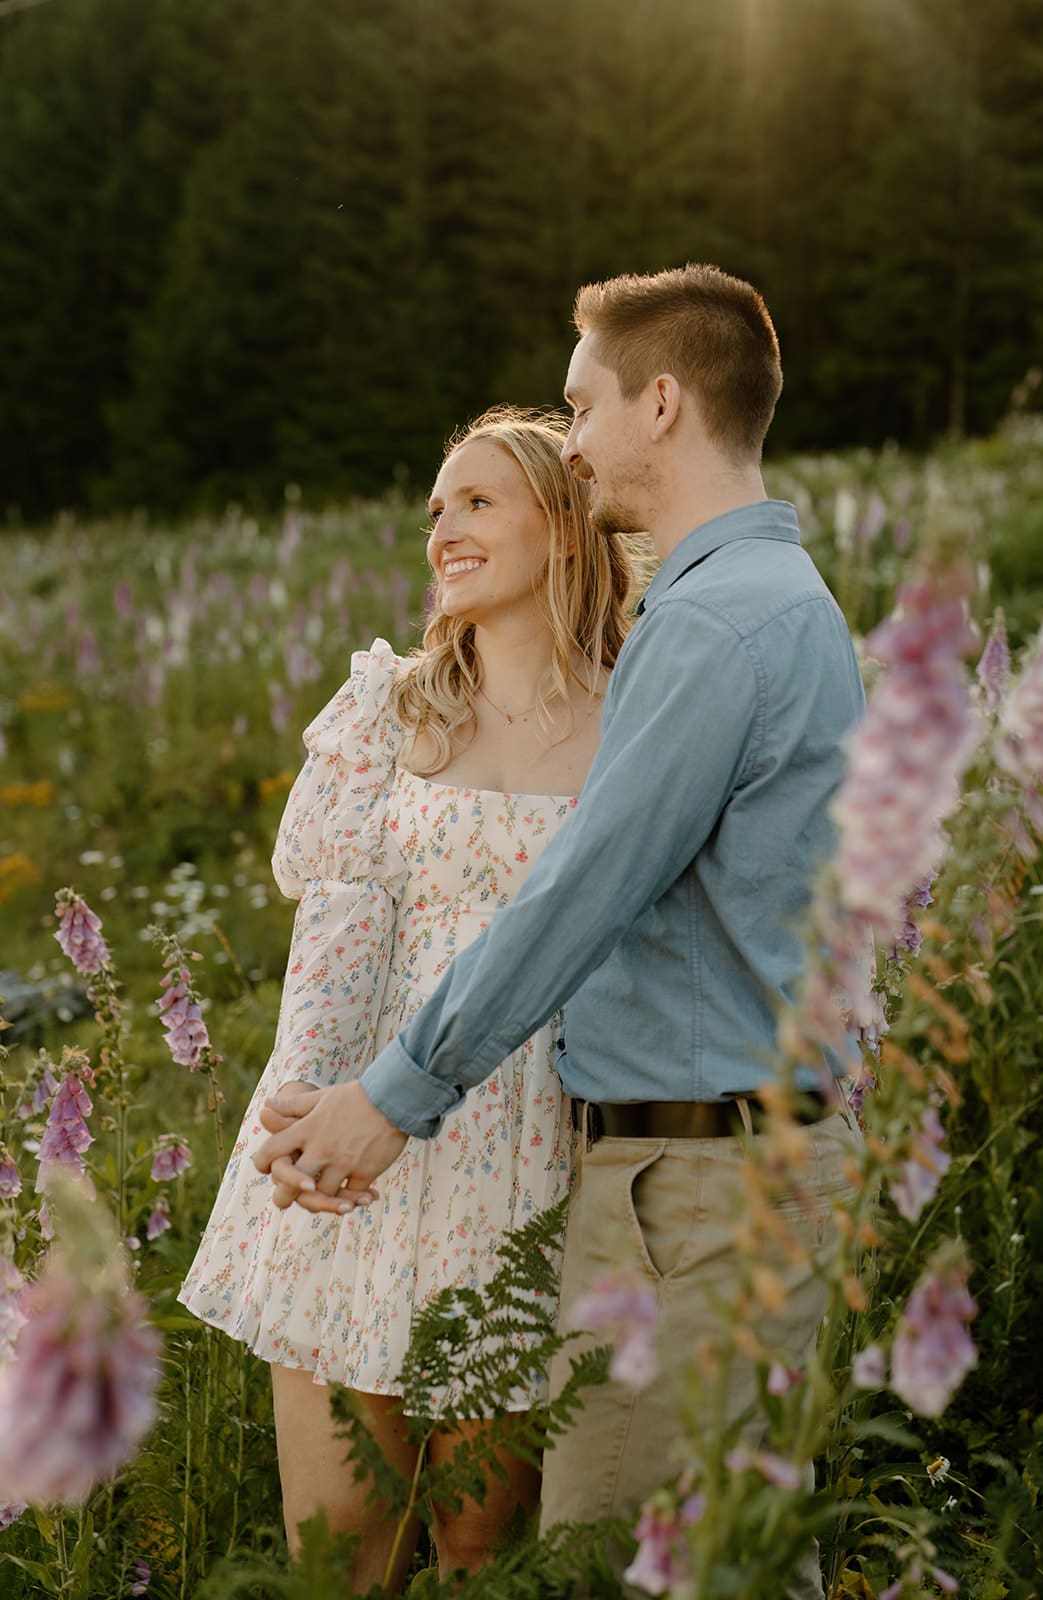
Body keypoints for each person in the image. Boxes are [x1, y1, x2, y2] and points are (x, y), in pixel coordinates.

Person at [256, 265, 867, 1599]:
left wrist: (392, 1097)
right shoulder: (777, 601)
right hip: (732, 1161)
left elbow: (583, 887)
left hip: (689, 1189)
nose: (572, 436)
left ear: (660, 404)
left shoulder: (709, 628)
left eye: (582, 407)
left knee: (619, 1563)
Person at [179, 407, 637, 1593]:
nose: (443, 527)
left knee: (483, 1552)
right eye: (436, 507)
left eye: (477, 501)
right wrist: (306, 1120)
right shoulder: (389, 706)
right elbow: (332, 924)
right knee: (341, 1557)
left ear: (565, 522)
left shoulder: (634, 722)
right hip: (355, 1151)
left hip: (524, 1168)